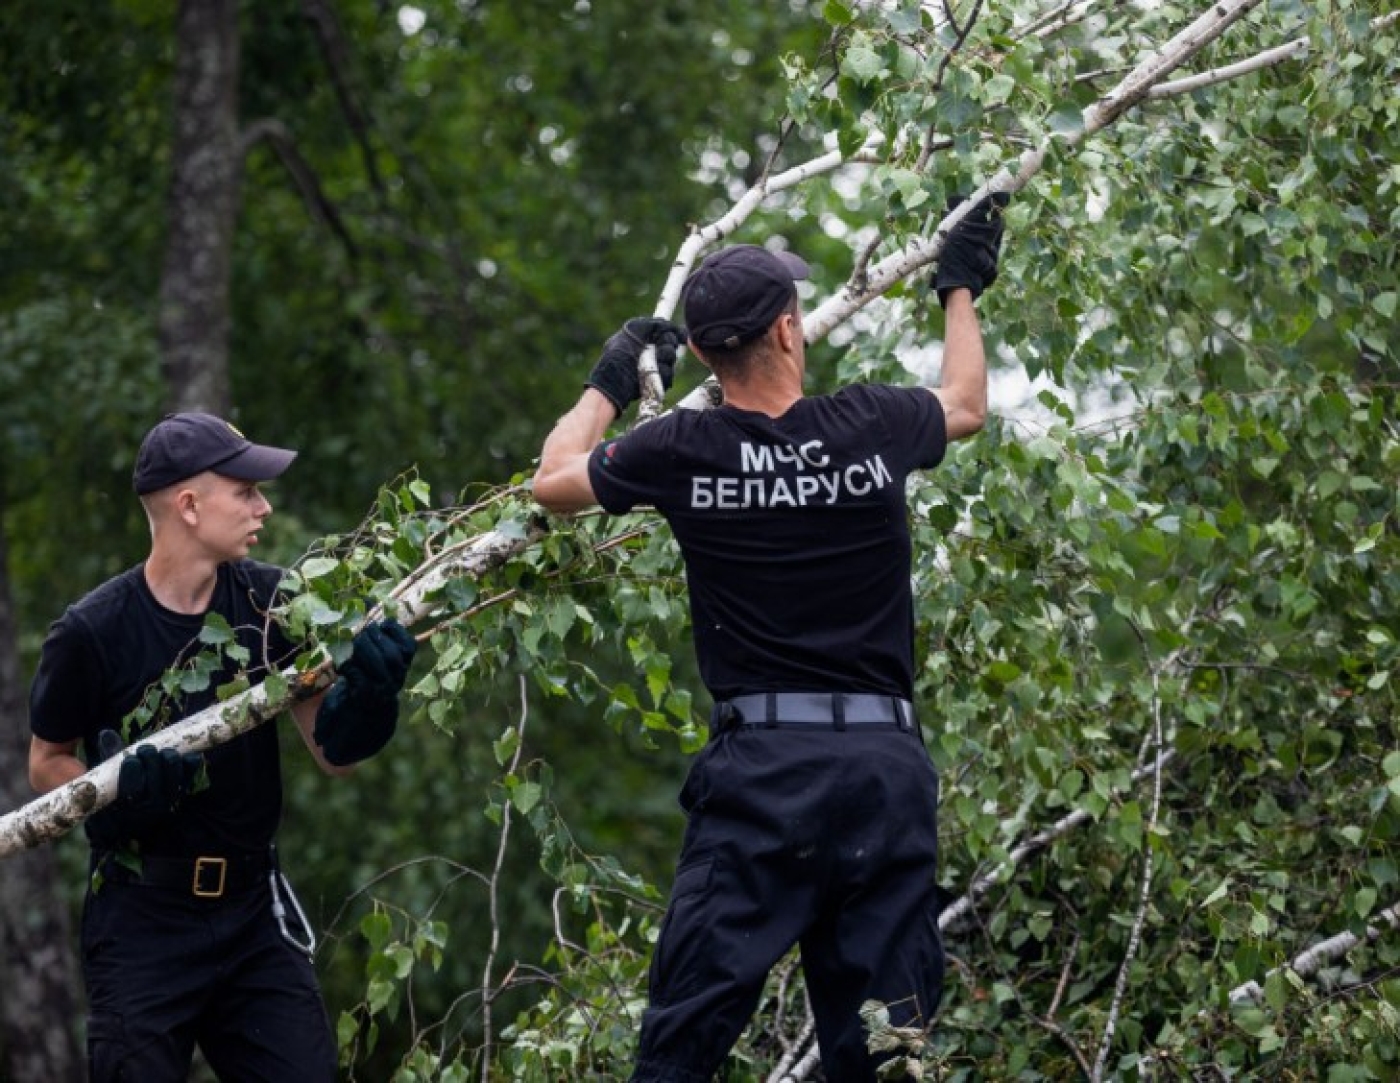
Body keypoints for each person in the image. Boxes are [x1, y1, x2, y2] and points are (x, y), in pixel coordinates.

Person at [531, 195, 1006, 1081]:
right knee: (889, 1057)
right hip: (879, 768)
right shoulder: (870, 425)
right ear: (789, 333)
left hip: (762, 778)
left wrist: (608, 378)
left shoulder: (680, 446)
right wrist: (959, 287)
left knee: (678, 1051)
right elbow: (967, 402)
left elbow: (550, 481)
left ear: (707, 355)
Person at [27, 411, 418, 1082]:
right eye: (245, 490)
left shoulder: (275, 603)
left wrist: (372, 700)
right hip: (141, 920)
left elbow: (336, 755)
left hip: (250, 917)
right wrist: (118, 797)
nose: (263, 505)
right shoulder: (92, 631)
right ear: (188, 504)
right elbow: (45, 761)